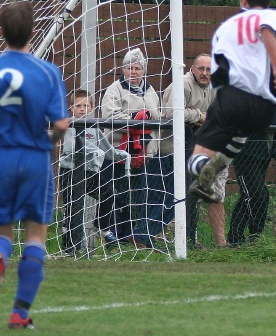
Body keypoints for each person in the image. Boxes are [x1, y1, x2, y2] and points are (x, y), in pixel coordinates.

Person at [0, 1, 69, 329]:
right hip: (35, 158)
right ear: (33, 32)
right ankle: (20, 312)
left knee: (0, 230)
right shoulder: (48, 72)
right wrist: (44, 145)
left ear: (1, 33)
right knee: (35, 236)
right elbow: (61, 125)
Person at [186, 0, 276, 207]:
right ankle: (210, 175)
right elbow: (266, 31)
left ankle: (204, 171)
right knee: (240, 136)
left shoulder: (226, 27)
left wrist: (275, 67)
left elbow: (263, 30)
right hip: (263, 105)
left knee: (196, 158)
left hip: (233, 98)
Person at [128, 53, 230, 248]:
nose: (205, 73)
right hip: (169, 151)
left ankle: (165, 237)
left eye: (209, 69)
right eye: (200, 68)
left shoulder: (215, 88)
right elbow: (172, 112)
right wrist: (199, 115)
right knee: (165, 196)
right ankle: (142, 235)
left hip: (192, 150)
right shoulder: (181, 84)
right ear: (192, 69)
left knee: (181, 197)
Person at [228, 50, 276, 245]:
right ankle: (236, 240)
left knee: (256, 196)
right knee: (255, 195)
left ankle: (252, 240)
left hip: (266, 151)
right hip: (245, 148)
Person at [99, 48, 160, 243]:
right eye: (129, 68)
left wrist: (146, 123)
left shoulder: (150, 91)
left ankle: (131, 235)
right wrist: (135, 120)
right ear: (123, 69)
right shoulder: (114, 89)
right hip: (117, 152)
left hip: (142, 153)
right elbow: (110, 115)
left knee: (135, 196)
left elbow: (157, 117)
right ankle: (111, 236)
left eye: (137, 68)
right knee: (116, 194)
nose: (133, 72)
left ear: (143, 70)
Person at [58, 89, 128, 256]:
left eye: (86, 105)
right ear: (71, 108)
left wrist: (121, 154)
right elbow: (70, 148)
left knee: (109, 193)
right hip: (70, 170)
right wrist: (96, 152)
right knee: (72, 208)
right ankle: (69, 248)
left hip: (89, 172)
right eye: (78, 105)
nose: (82, 109)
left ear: (92, 108)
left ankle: (102, 225)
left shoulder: (94, 126)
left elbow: (105, 147)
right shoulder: (68, 125)